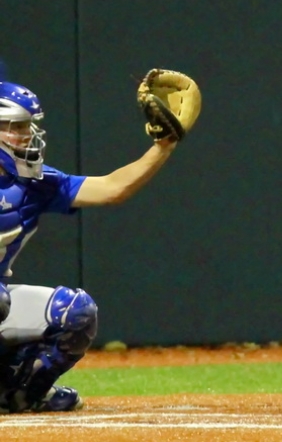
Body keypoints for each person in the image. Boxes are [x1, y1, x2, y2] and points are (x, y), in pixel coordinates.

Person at [0, 74, 181, 413]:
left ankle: (20, 393)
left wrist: (164, 145)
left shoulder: (35, 183)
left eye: (27, 127)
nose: (26, 136)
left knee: (74, 312)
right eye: (15, 127)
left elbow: (113, 188)